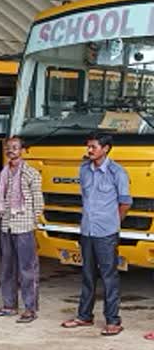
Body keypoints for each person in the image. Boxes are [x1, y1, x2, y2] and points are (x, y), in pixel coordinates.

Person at [62, 134, 131, 336]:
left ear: (106, 148)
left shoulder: (116, 172)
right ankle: (84, 316)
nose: (89, 150)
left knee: (109, 277)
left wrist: (114, 223)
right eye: (88, 146)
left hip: (106, 232)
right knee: (87, 274)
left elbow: (125, 202)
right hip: (87, 230)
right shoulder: (84, 170)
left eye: (93, 147)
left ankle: (113, 321)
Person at [0, 136, 44, 323]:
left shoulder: (31, 173)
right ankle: (9, 305)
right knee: (7, 268)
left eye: (15, 148)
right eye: (8, 148)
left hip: (24, 227)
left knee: (27, 270)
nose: (10, 151)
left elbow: (38, 204)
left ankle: (30, 308)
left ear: (23, 150)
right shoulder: (4, 173)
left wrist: (33, 225)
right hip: (7, 225)